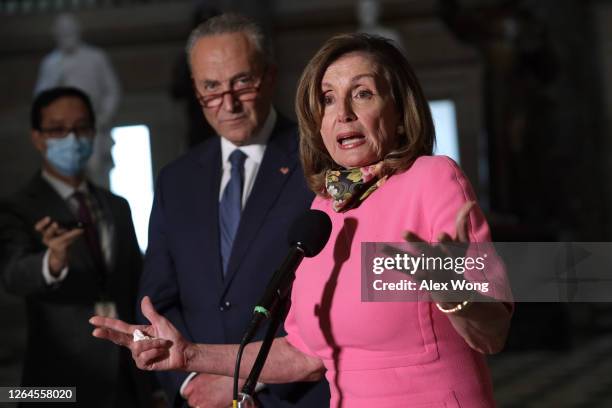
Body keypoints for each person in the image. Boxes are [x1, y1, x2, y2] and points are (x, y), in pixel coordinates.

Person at [90, 33, 513, 407]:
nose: (342, 112)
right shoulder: (325, 209)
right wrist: (190, 355)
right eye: (328, 99)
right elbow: (306, 353)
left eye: (362, 93)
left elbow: (493, 332)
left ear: (400, 113)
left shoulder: (432, 178)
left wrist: (452, 289)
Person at [135, 13, 329, 408]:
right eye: (211, 87)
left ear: (270, 76)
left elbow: (334, 300)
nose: (229, 103)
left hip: (294, 396)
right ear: (195, 89)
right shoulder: (175, 180)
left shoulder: (320, 162)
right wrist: (190, 383)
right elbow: (157, 298)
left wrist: (244, 380)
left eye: (242, 81)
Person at [0, 87, 152, 407]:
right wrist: (51, 261)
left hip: (126, 378)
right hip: (57, 383)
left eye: (81, 127)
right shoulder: (18, 208)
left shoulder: (117, 206)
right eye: (57, 129)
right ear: (38, 138)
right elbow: (13, 274)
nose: (71, 138)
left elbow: (137, 286)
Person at [35, 13, 121, 189]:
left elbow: (112, 90)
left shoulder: (95, 57)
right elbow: (40, 99)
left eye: (70, 30)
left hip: (93, 124)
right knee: (66, 175)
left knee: (96, 171)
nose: (67, 34)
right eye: (63, 31)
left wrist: (104, 116)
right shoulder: (51, 64)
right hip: (61, 131)